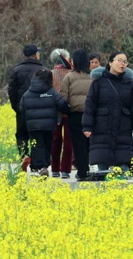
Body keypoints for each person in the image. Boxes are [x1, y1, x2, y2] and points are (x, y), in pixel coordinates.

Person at [82, 52, 133, 173]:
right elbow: (90, 105)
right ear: (110, 62)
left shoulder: (129, 84)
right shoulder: (98, 82)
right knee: (102, 166)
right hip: (102, 128)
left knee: (123, 166)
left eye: (125, 62)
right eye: (119, 60)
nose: (122, 64)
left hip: (123, 129)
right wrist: (87, 126)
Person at [21, 69, 71, 176]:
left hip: (33, 125)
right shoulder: (51, 92)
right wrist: (68, 110)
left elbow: (21, 108)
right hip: (48, 125)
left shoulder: (28, 93)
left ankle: (37, 166)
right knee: (47, 145)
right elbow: (62, 105)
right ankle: (42, 166)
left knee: (36, 145)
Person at [60, 49, 94, 180]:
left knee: (78, 144)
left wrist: (65, 111)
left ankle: (82, 171)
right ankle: (92, 168)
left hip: (75, 115)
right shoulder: (93, 76)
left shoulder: (69, 77)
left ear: (73, 62)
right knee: (89, 143)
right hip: (91, 115)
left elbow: (64, 98)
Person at [9, 44, 44, 168]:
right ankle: (36, 164)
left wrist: (17, 108)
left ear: (24, 56)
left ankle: (24, 157)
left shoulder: (16, 70)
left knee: (22, 135)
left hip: (22, 109)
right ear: (36, 55)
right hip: (40, 111)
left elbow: (12, 92)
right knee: (37, 137)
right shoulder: (43, 70)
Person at [49, 48, 73, 178]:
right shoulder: (73, 72)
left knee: (55, 140)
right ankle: (65, 170)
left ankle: (55, 169)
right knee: (69, 141)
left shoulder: (50, 73)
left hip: (55, 111)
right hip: (70, 110)